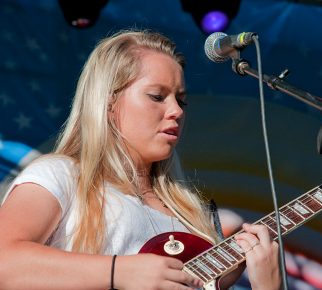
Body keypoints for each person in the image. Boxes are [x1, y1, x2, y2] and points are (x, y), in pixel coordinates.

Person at [0, 29, 281, 290]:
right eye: (157, 96)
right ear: (109, 103)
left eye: (181, 100)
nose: (176, 111)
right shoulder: (61, 175)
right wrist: (117, 271)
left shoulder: (195, 215)